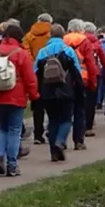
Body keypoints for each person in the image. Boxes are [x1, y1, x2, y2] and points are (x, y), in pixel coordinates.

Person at [0, 24, 38, 177]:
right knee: (14, 130)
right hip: (16, 96)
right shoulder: (21, 53)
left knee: (2, 128)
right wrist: (34, 96)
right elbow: (30, 79)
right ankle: (12, 165)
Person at [33, 24, 82, 161]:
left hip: (47, 91)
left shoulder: (42, 52)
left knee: (53, 120)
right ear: (63, 35)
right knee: (66, 119)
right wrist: (79, 90)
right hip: (66, 90)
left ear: (50, 35)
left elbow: (35, 72)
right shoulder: (68, 51)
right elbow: (77, 72)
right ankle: (60, 141)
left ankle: (53, 153)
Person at [63, 19, 99, 150]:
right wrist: (93, 82)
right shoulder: (85, 41)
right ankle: (78, 141)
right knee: (79, 111)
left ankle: (62, 139)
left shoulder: (63, 40)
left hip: (65, 79)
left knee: (65, 112)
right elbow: (90, 64)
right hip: (82, 79)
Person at [24, 14, 53, 145]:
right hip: (51, 70)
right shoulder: (52, 34)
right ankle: (51, 131)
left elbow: (26, 52)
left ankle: (38, 134)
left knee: (37, 104)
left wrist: (33, 64)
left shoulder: (29, 35)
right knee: (52, 103)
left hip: (35, 72)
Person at [81, 21, 105, 136]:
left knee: (80, 100)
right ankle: (88, 125)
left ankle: (80, 122)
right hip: (94, 73)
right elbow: (104, 59)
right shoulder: (96, 43)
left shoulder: (79, 41)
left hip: (81, 73)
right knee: (91, 101)